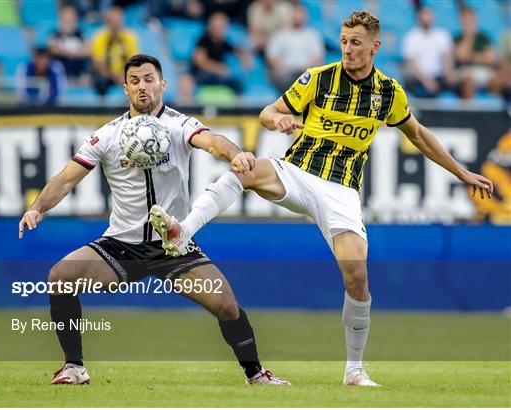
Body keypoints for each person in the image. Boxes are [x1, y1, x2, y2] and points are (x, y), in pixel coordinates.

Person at [150, 11, 494, 387]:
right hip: (296, 172)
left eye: (356, 43)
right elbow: (269, 111)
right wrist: (277, 120)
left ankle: (354, 370)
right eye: (344, 41)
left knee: (357, 277)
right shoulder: (319, 77)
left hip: (340, 191)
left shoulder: (388, 92)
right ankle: (182, 230)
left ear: (375, 47)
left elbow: (418, 134)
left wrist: (462, 172)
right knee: (245, 169)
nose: (347, 49)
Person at [18, 54, 289, 386]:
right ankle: (74, 366)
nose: (142, 86)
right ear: (125, 88)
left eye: (149, 79)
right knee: (60, 277)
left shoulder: (179, 124)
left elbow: (214, 142)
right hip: (121, 245)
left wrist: (237, 154)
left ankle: (256, 374)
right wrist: (37, 208)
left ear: (163, 84)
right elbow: (65, 179)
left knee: (227, 306)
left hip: (173, 245)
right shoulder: (108, 135)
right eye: (134, 81)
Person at [265, 3, 325, 93]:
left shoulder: (313, 35)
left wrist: (308, 72)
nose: (298, 16)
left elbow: (317, 58)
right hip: (286, 73)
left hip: (306, 73)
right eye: (296, 13)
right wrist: (281, 68)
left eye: (301, 13)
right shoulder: (279, 35)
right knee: (282, 79)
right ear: (290, 15)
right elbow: (272, 57)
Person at [190, 12, 250, 94]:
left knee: (238, 83)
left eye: (222, 27)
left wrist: (244, 58)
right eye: (217, 27)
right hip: (203, 74)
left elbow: (237, 50)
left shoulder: (223, 42)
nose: (220, 29)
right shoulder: (203, 40)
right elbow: (200, 62)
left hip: (218, 75)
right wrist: (218, 68)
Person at [402, 6, 455, 97]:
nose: (426, 17)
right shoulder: (411, 37)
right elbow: (411, 64)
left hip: (439, 78)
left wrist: (449, 73)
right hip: (419, 79)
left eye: (428, 14)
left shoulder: (442, 35)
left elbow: (447, 58)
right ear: (418, 16)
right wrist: (427, 81)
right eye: (424, 14)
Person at [91, 6, 138, 96]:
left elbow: (133, 62)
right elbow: (100, 64)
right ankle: (102, 108)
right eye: (112, 22)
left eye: (118, 22)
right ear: (107, 22)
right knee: (100, 82)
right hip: (107, 75)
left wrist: (124, 75)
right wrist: (115, 77)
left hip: (124, 74)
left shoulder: (130, 37)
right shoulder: (100, 37)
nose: (115, 25)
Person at [454, 6, 499, 99]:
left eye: (470, 18)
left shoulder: (485, 37)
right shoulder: (457, 37)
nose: (468, 21)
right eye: (465, 19)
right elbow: (461, 57)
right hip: (464, 70)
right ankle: (468, 110)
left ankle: (494, 108)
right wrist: (469, 36)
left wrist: (471, 56)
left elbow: (490, 59)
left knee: (496, 79)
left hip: (483, 70)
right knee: (469, 79)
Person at [48, 4, 90, 84]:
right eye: (66, 16)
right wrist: (70, 53)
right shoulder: (55, 34)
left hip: (78, 68)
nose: (68, 19)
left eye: (71, 16)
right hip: (62, 69)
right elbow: (53, 48)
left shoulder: (81, 34)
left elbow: (87, 50)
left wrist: (72, 53)